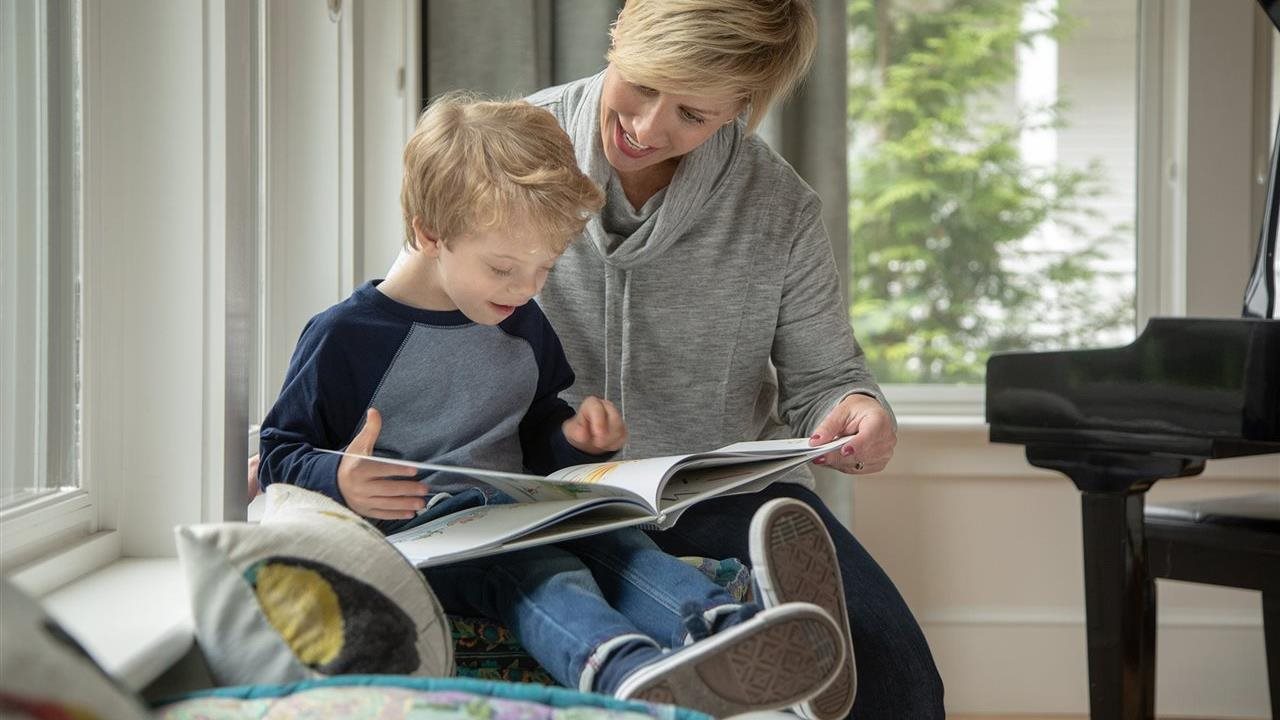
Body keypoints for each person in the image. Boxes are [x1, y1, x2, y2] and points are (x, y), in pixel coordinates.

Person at [256, 94, 849, 716]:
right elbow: (277, 455)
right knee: (542, 574)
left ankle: (732, 631)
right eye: (505, 268)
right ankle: (626, 673)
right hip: (428, 540)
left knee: (623, 545)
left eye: (544, 268)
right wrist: (343, 480)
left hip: (514, 513)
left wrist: (576, 440)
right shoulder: (347, 337)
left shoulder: (521, 323)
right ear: (430, 234)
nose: (528, 290)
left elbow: (537, 429)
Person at [518, 1, 947, 717]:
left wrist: (857, 412)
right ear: (621, 33)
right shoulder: (505, 151)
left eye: (691, 113)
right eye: (644, 85)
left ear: (739, 110)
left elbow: (826, 380)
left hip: (712, 496)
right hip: (538, 494)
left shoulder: (780, 207)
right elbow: (412, 313)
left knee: (898, 677)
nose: (649, 127)